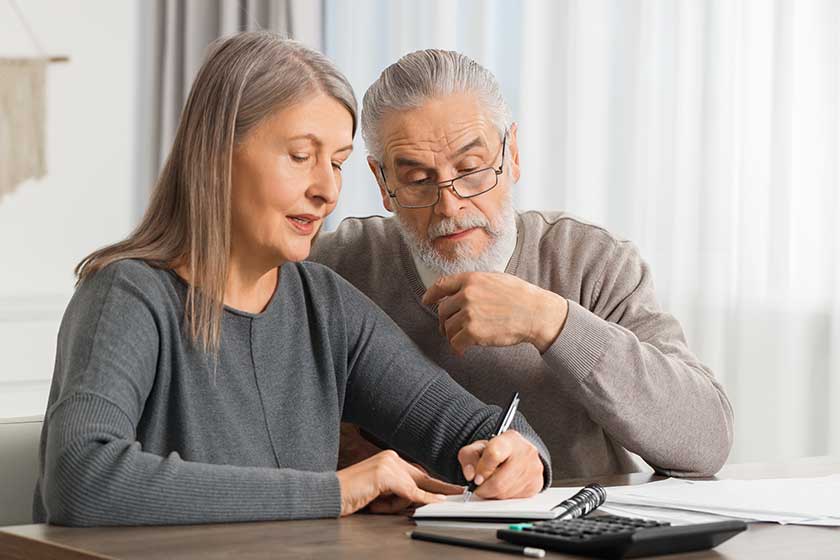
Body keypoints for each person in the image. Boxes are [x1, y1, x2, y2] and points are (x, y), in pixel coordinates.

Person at [33, 33, 550, 527]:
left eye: (338, 163)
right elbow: (83, 478)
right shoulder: (126, 296)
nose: (326, 189)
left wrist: (520, 458)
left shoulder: (324, 304)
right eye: (301, 157)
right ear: (217, 155)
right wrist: (337, 490)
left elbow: (479, 429)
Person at [309, 49, 734, 479]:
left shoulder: (590, 260)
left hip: (574, 530)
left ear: (511, 155)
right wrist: (336, 444)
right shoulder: (336, 266)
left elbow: (706, 442)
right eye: (419, 181)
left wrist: (550, 321)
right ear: (384, 184)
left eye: (472, 169)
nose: (451, 206)